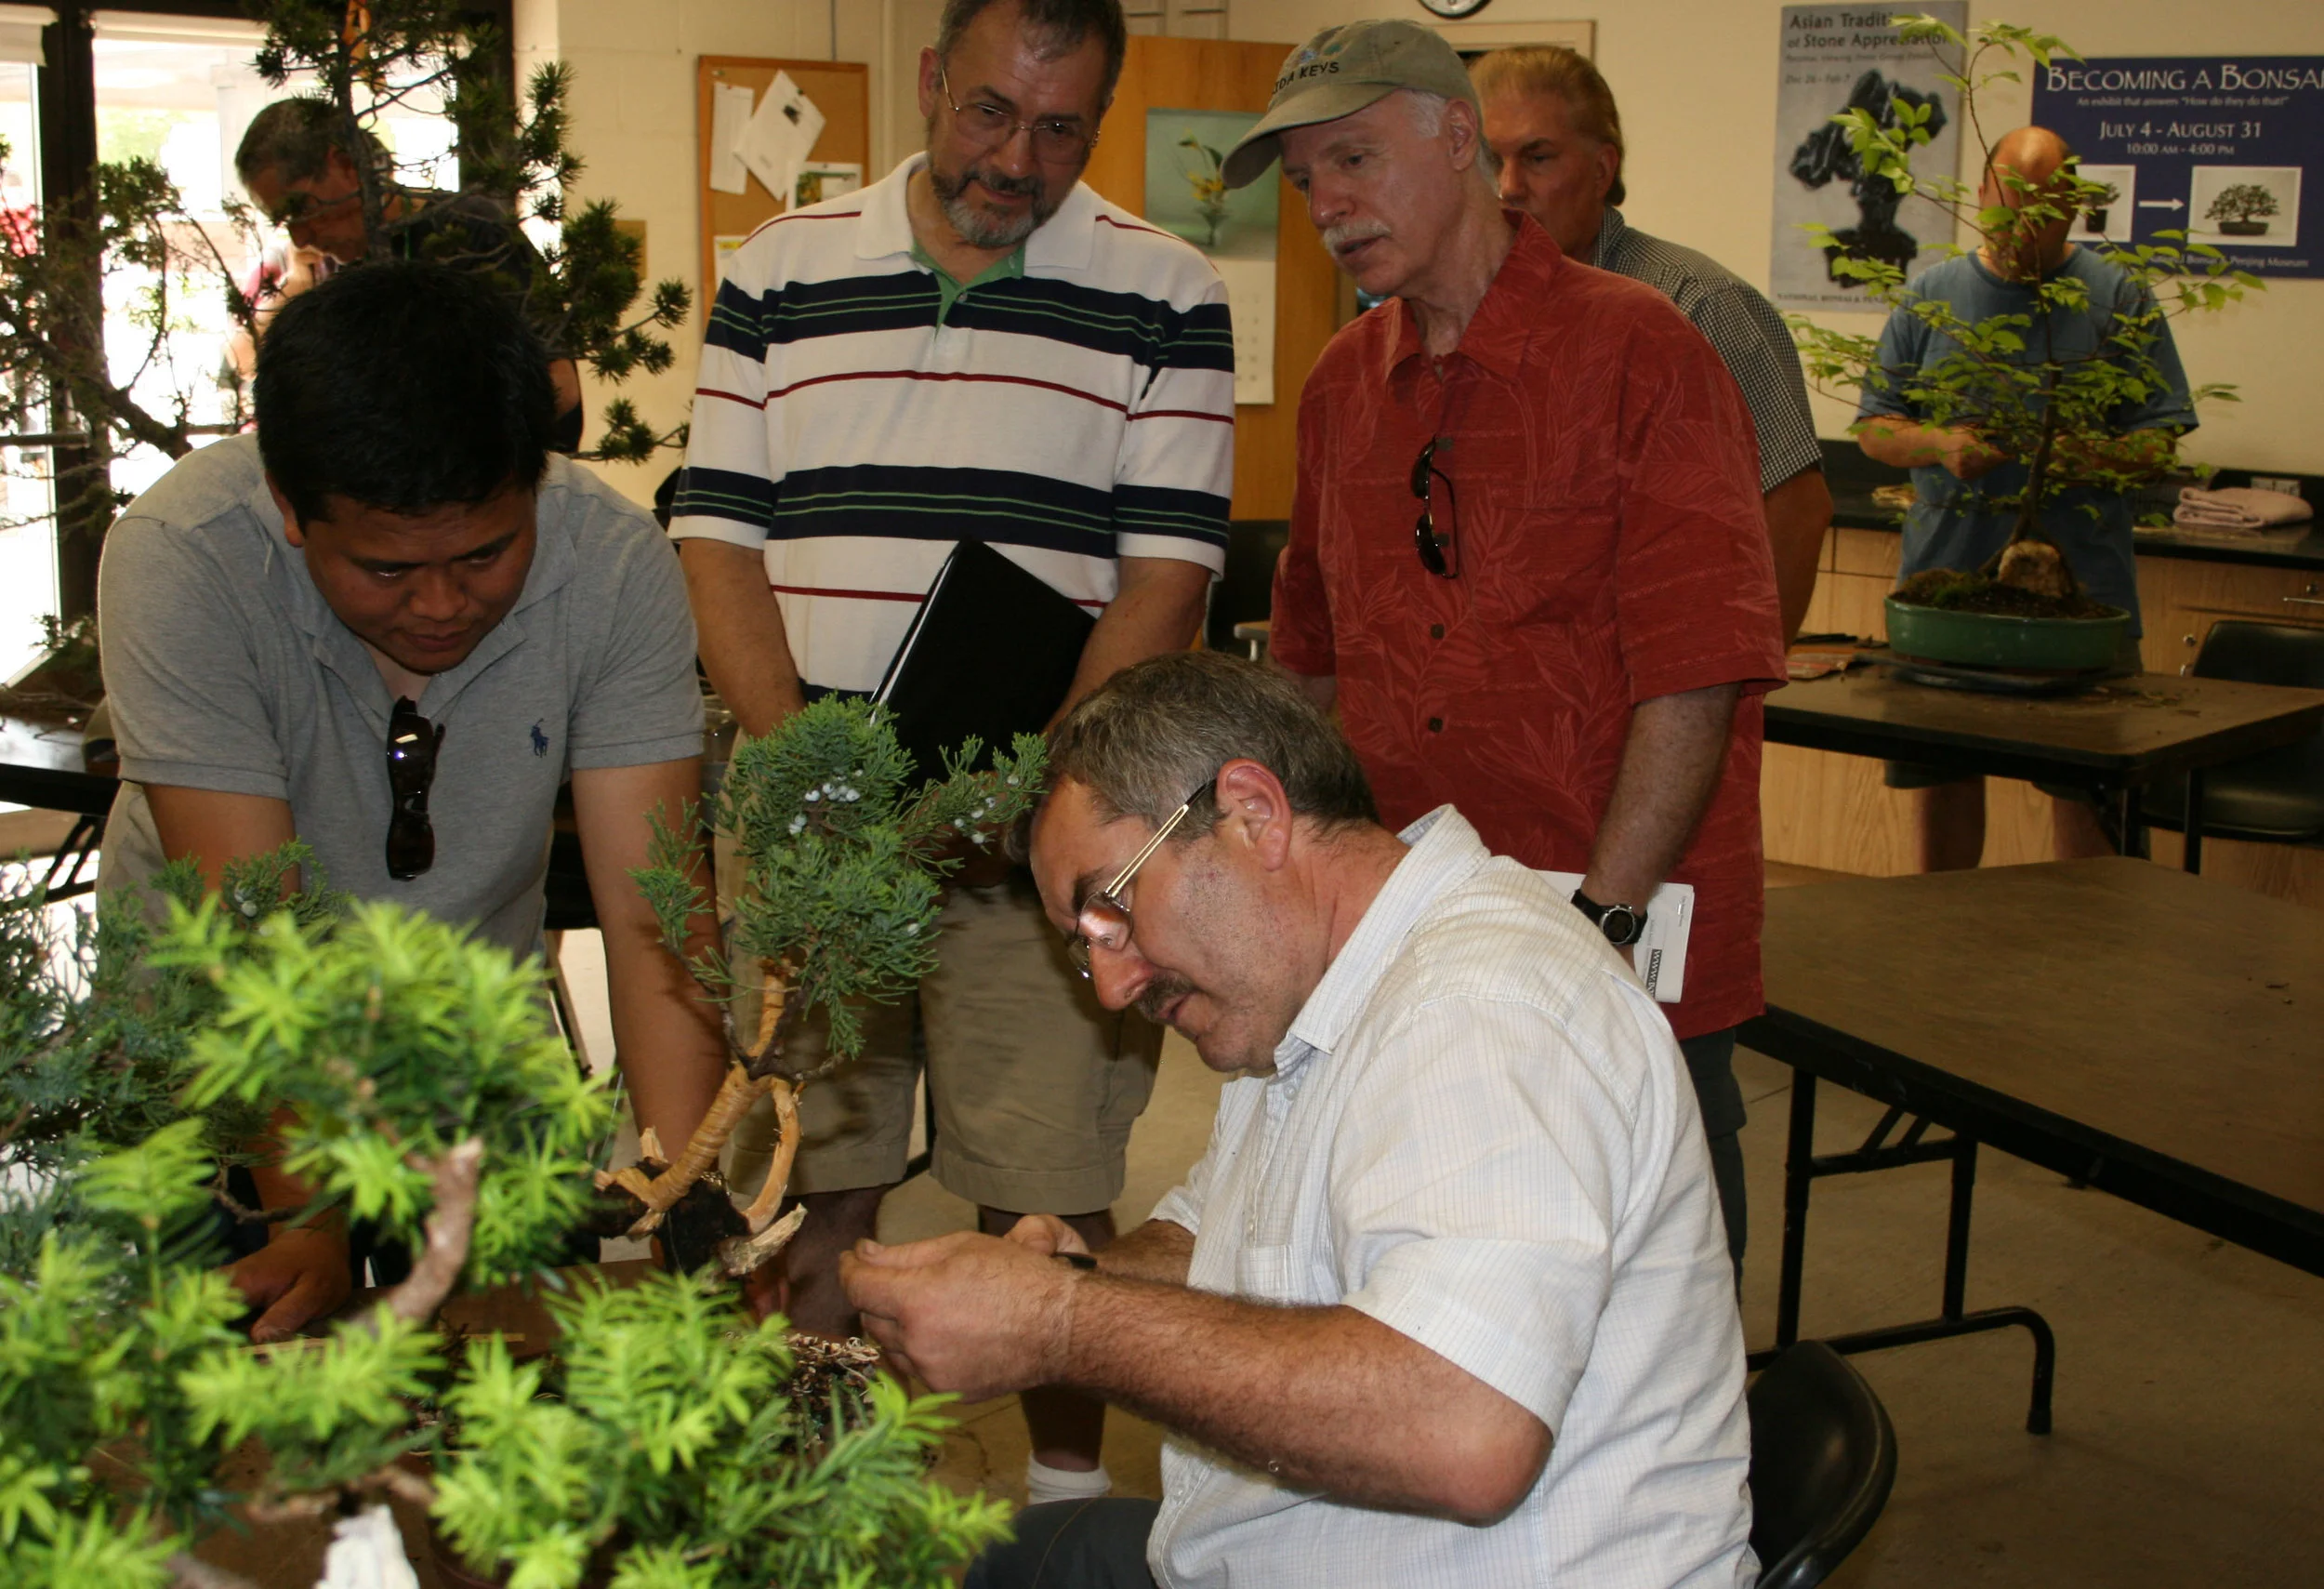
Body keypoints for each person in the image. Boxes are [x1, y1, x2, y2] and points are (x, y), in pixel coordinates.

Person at [841, 651, 1754, 1589]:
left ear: (1252, 813)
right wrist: (1057, 1277)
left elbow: (1464, 1429)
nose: (1112, 985)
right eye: (1087, 949)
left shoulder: (1480, 1008)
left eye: (1111, 910)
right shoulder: (1308, 993)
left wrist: (1061, 1323)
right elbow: (1221, 1235)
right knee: (1011, 1560)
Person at [666, 0, 1233, 1503]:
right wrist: (803, 779)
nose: (1015, 160)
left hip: (1039, 831)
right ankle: (815, 1479)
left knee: (1047, 1184)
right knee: (809, 1170)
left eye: (1060, 130)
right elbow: (719, 544)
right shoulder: (775, 274)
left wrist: (1034, 796)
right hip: (810, 816)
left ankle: (1058, 1510)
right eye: (988, 113)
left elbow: (1164, 581)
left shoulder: (1167, 293)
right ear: (928, 82)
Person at [96, 260, 728, 1339]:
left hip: (470, 1055)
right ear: (291, 509)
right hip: (228, 1080)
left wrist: (692, 1196)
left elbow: (654, 919)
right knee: (243, 1433)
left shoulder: (614, 565)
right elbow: (250, 934)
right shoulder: (185, 560)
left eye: (488, 553)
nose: (442, 604)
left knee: (507, 1408)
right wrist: (317, 1212)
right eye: (387, 571)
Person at [1248, 20, 1786, 1276]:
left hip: (1619, 919)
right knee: (1436, 1249)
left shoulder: (1644, 352)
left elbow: (1696, 670)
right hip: (1412, 927)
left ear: (1457, 140)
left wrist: (1599, 922)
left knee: (1651, 1262)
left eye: (1355, 160)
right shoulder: (1340, 389)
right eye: (1306, 179)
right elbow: (1309, 670)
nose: (1329, 203)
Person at [1855, 126, 2196, 871]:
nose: (2021, 233)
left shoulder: (2118, 298)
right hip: (1945, 591)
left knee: (2092, 790)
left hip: (2081, 603)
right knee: (1941, 777)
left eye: (2044, 213)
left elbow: (2159, 440)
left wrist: (2078, 455)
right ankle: (1941, 943)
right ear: (1980, 196)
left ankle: (2092, 958)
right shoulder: (1932, 298)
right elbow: (1876, 427)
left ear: (2073, 207)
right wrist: (1940, 445)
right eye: (2008, 211)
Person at [1473, 44, 1831, 642]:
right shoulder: (1474, 312)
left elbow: (1794, 508)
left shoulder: (1696, 305)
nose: (1509, 187)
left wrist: (1731, 695)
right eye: (1490, 160)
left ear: (1601, 169)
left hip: (1661, 683)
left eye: (1538, 158)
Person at [233, 98, 586, 447]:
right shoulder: (329, 265)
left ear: (346, 165)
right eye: (284, 221)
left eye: (303, 210)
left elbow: (559, 389)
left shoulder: (468, 233)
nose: (300, 236)